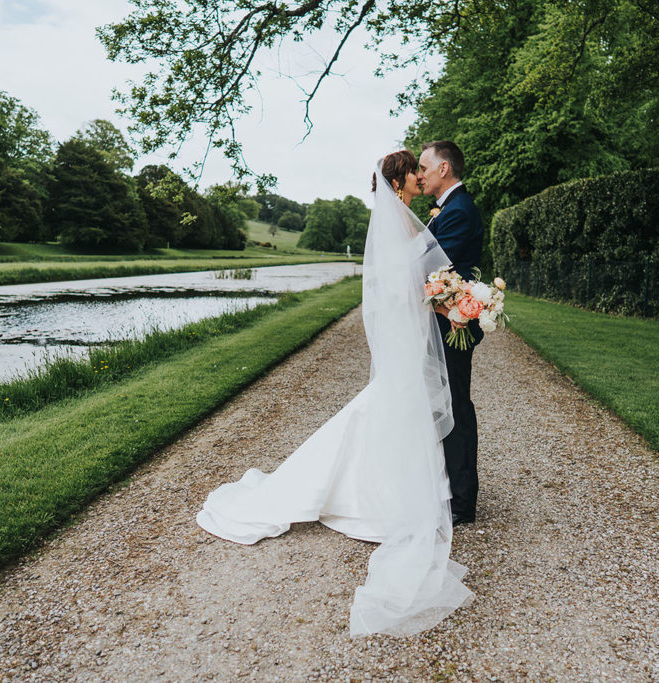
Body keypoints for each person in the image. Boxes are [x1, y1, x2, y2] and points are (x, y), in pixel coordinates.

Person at [196, 150, 473, 637]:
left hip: (412, 331)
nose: (421, 175)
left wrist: (445, 293)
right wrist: (444, 293)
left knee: (395, 410)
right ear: (401, 179)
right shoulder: (398, 223)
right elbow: (401, 283)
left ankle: (397, 491)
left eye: (424, 168)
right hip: (408, 333)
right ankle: (380, 497)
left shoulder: (409, 220)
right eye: (415, 170)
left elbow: (422, 276)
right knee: (392, 408)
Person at [417, 141, 484, 526]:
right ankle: (445, 486)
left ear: (444, 169)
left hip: (452, 325)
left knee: (456, 406)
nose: (420, 173)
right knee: (442, 403)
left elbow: (439, 273)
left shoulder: (458, 211)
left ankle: (462, 501)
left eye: (425, 167)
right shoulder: (449, 209)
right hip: (442, 322)